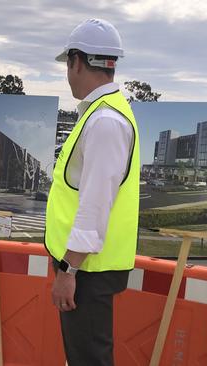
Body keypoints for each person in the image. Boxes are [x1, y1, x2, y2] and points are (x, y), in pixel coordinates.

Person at [45, 18, 141, 365]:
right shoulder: (104, 114)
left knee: (89, 360)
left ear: (77, 61)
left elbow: (95, 203)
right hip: (86, 267)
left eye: (68, 65)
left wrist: (68, 271)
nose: (68, 73)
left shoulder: (104, 122)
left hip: (86, 271)